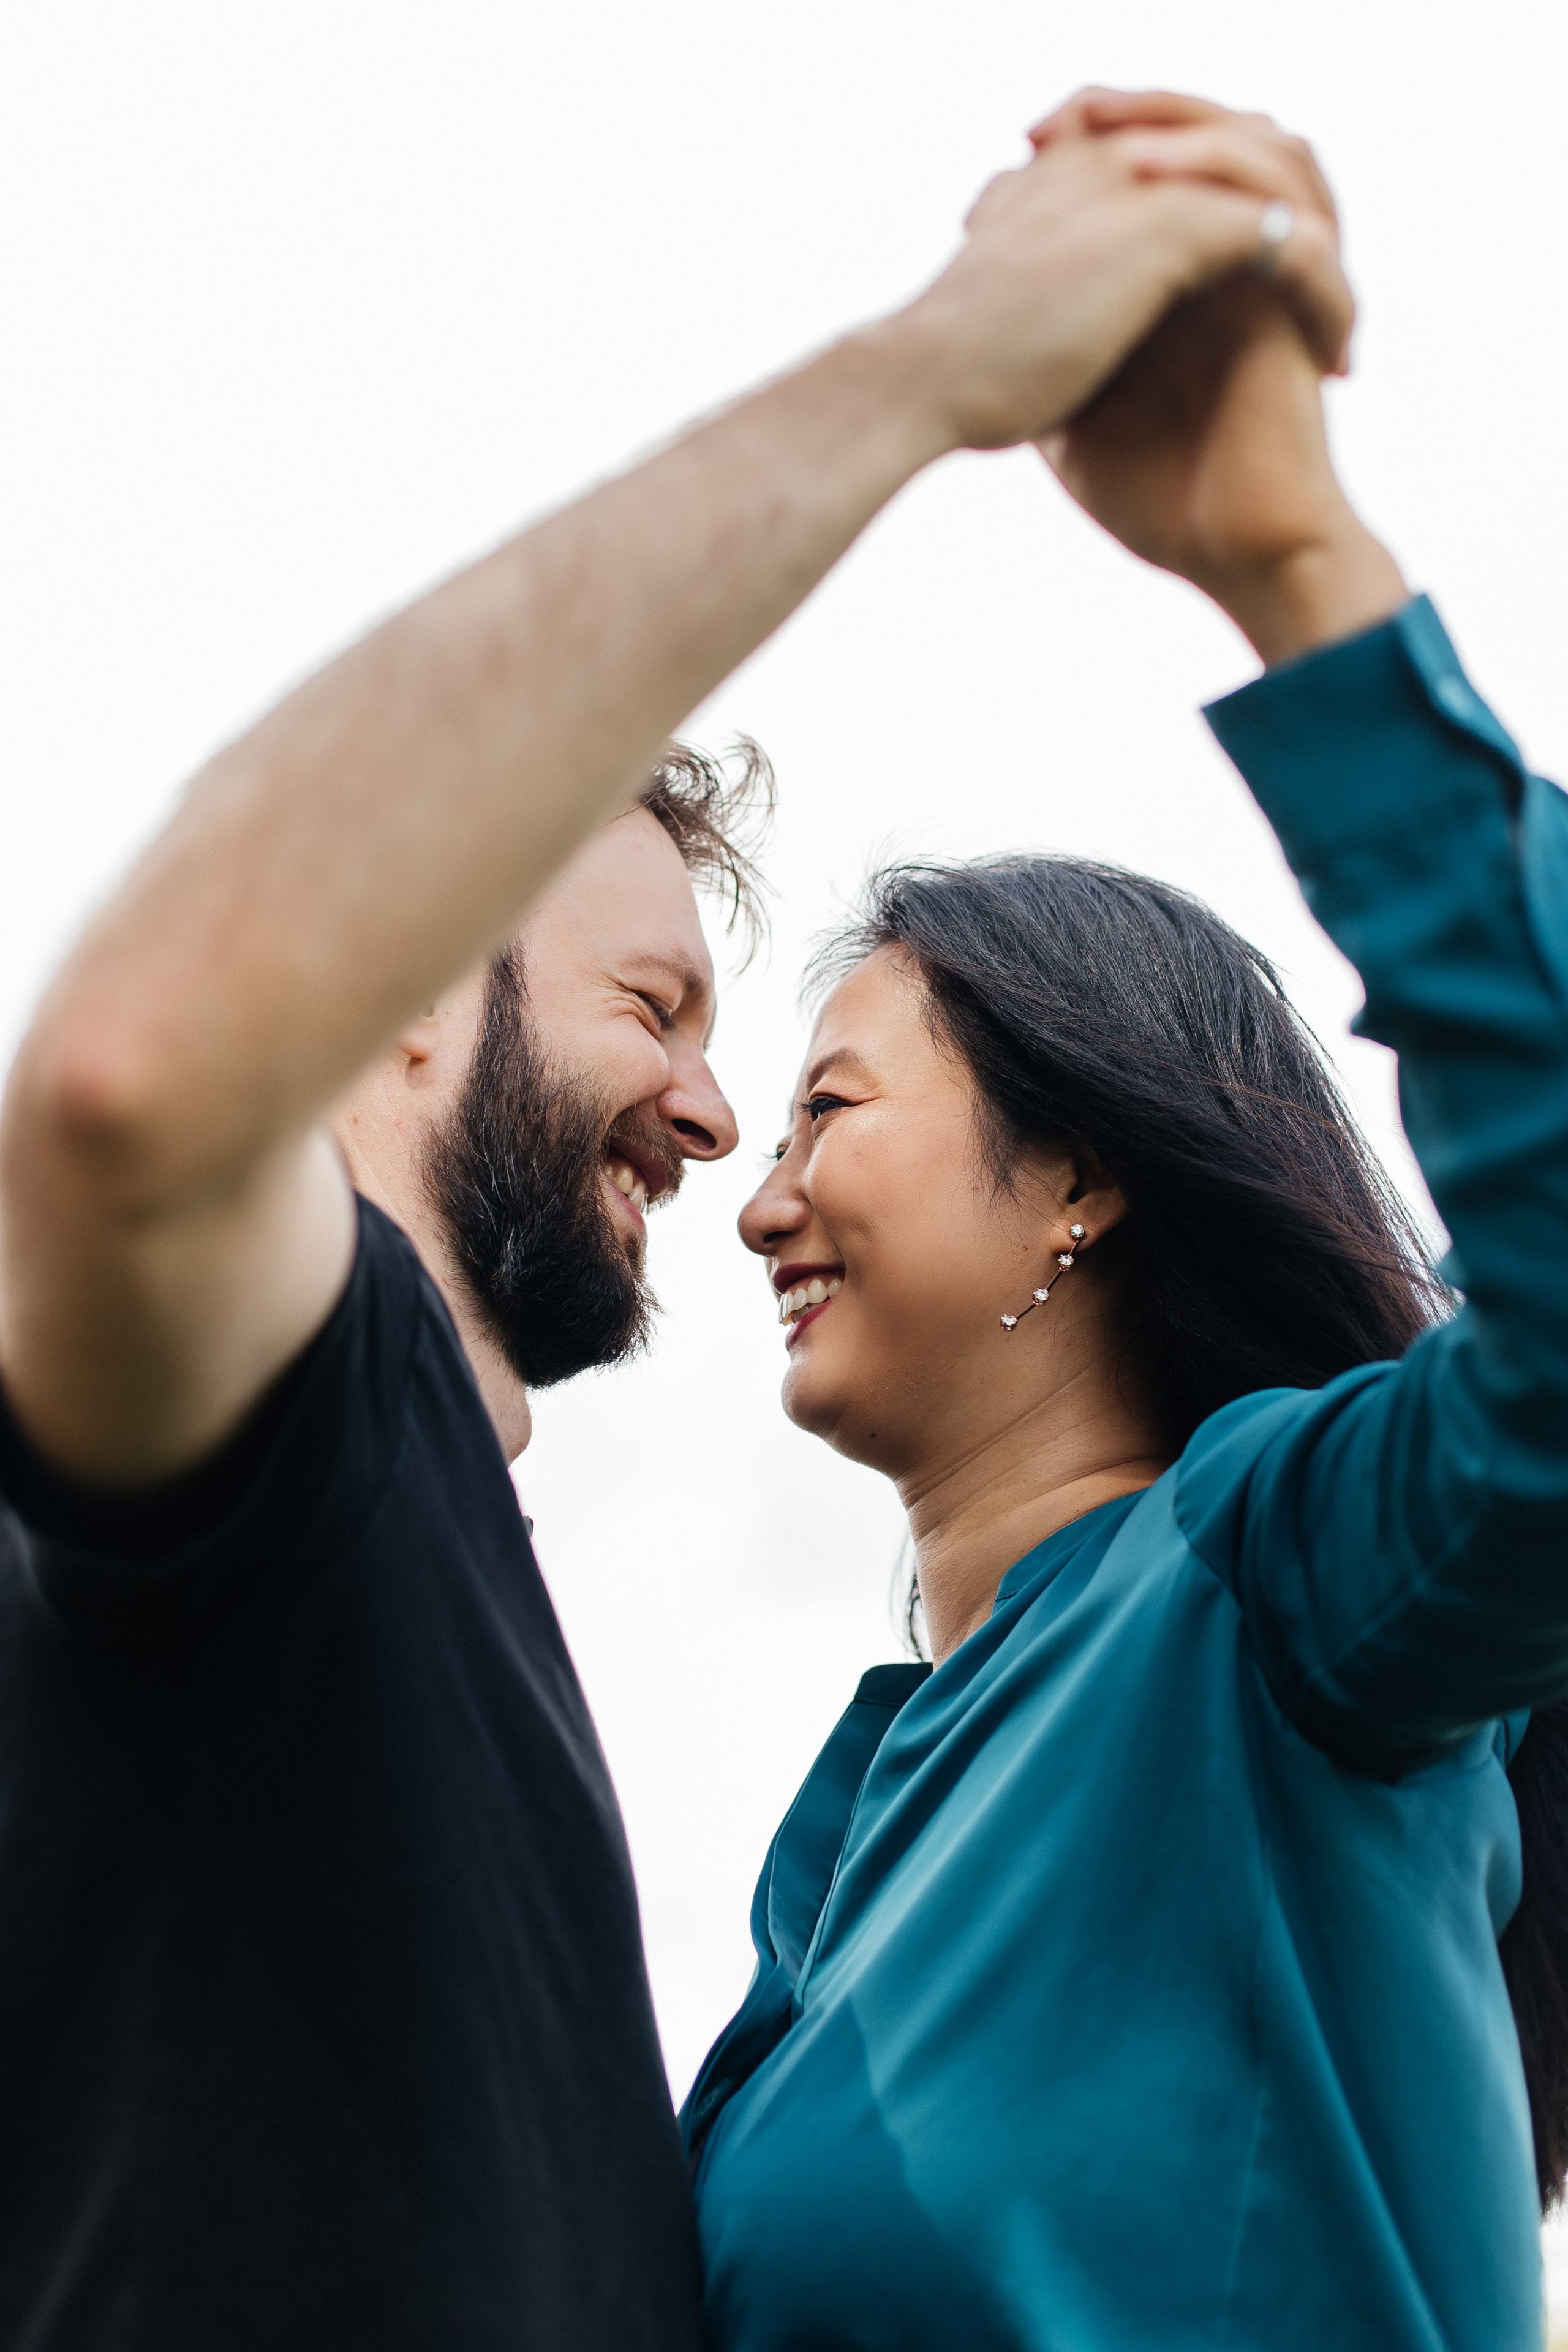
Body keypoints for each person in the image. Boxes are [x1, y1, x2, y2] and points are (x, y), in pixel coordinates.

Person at [0, 91, 1327, 2352]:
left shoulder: (441, 1597)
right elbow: (124, 1081)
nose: (717, 1123)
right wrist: (939, 366)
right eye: (654, 1006)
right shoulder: (298, 1417)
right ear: (399, 983)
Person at [682, 89, 1568, 2352]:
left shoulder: (1271, 1588)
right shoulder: (836, 1856)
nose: (757, 1201)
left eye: (831, 1109)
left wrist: (1291, 559)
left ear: (1080, 1173)